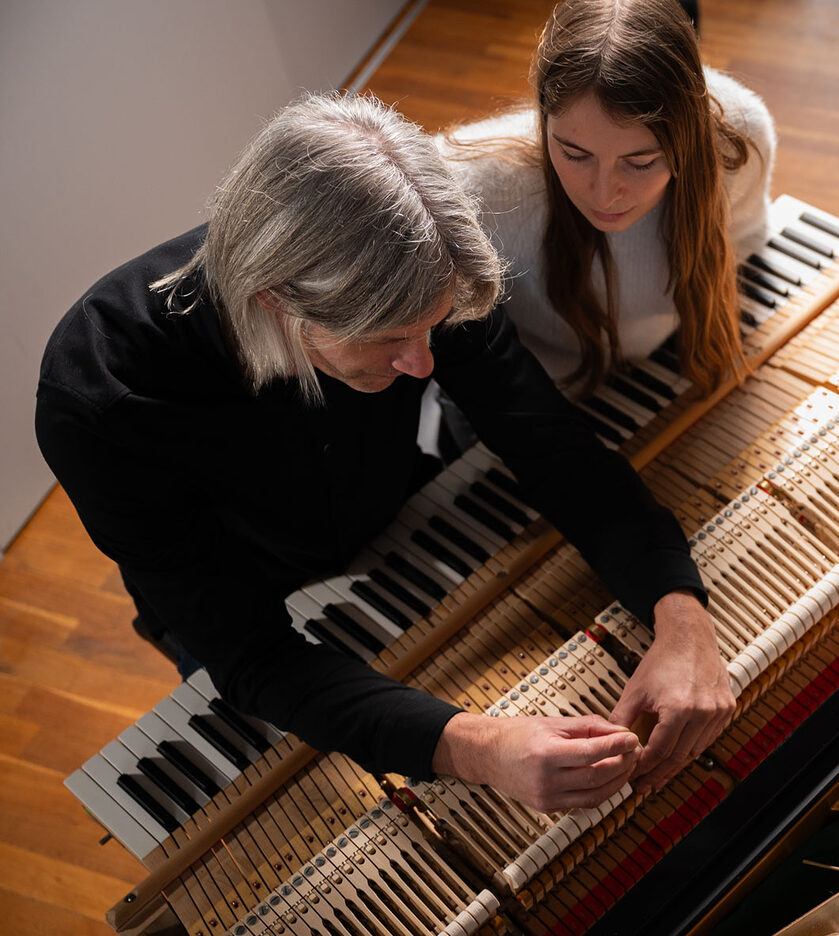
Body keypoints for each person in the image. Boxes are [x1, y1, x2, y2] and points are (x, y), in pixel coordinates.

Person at [34, 92, 734, 813]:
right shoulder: (99, 397)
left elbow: (548, 443)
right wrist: (483, 746)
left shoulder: (420, 261)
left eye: (431, 330)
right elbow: (254, 655)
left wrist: (680, 613)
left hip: (392, 506)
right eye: (391, 342)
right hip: (236, 588)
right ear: (276, 299)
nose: (425, 365)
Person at [437, 0, 776, 401]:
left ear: (686, 139)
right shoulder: (472, 185)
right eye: (575, 155)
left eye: (641, 162)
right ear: (543, 119)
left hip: (672, 368)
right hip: (537, 400)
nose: (604, 195)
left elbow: (748, 245)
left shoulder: (739, 136)